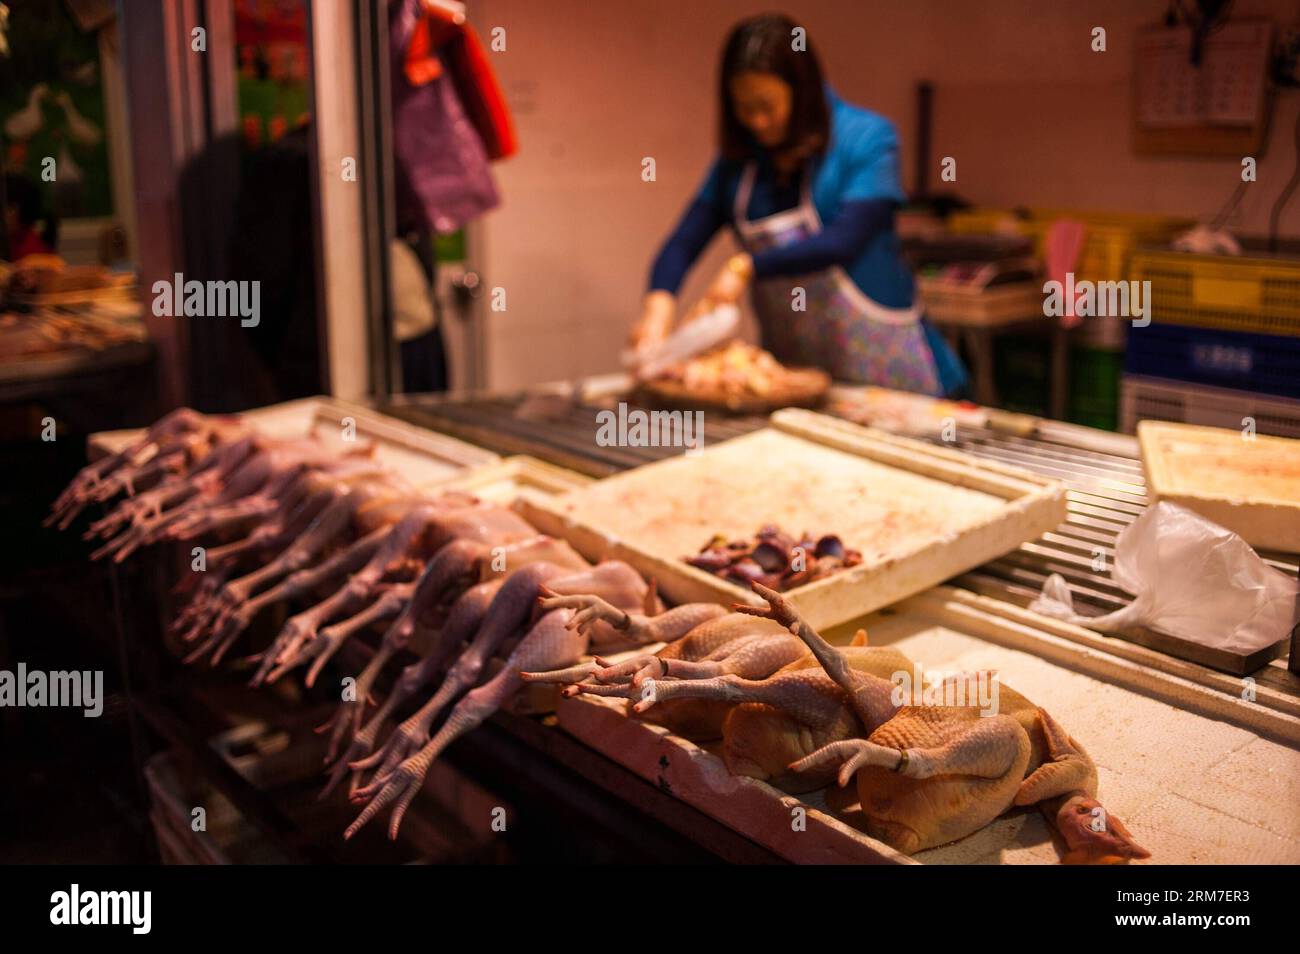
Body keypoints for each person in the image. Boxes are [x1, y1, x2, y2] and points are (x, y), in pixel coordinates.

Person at [631, 13, 965, 396]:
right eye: (743, 107)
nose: (756, 121)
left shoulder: (868, 138)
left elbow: (844, 240)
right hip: (793, 377)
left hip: (886, 370)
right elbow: (683, 242)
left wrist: (746, 266)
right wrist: (658, 306)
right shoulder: (740, 162)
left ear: (801, 91)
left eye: (767, 105)